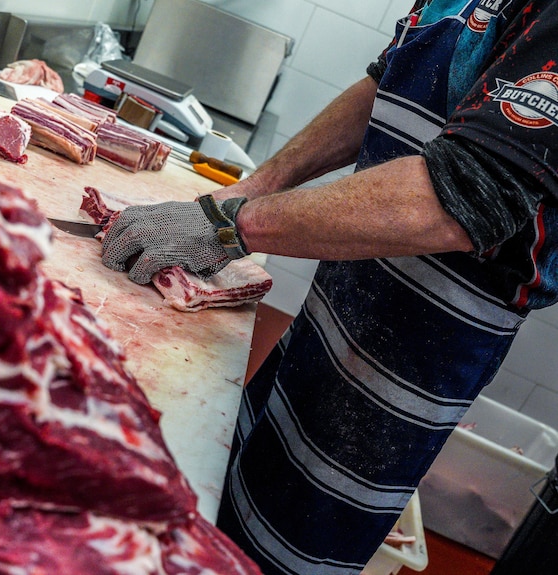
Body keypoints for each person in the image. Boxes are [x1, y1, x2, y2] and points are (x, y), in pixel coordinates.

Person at [99, 1, 558, 573]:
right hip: (330, 315)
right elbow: (384, 86)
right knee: (213, 514)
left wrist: (233, 226)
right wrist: (238, 196)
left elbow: (457, 199)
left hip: (413, 367)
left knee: (277, 556)